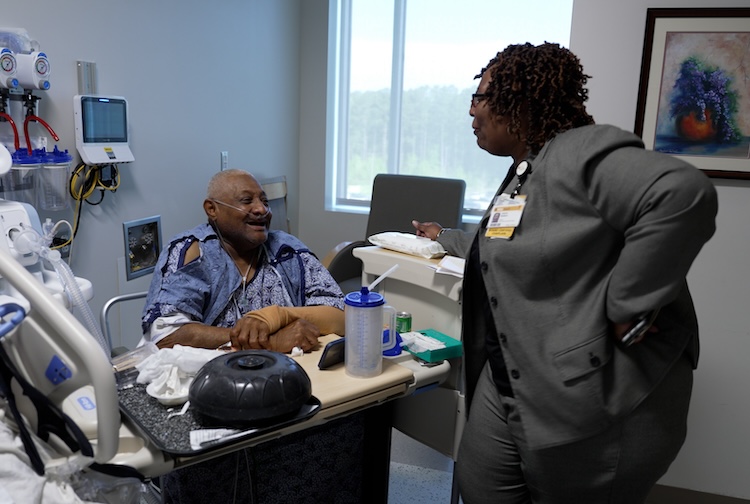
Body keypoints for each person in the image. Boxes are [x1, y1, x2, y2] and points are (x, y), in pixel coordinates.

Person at [413, 43, 718, 504]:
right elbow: (506, 246)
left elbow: (680, 193)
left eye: (480, 97)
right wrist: (443, 236)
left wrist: (627, 306)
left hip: (600, 399)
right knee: (478, 486)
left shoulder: (578, 151)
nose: (471, 111)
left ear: (521, 101)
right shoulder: (525, 172)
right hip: (512, 377)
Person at [141, 169, 362, 503]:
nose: (262, 209)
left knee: (353, 420)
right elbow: (167, 335)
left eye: (263, 200)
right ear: (211, 209)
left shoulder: (287, 250)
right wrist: (269, 344)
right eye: (247, 201)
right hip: (217, 404)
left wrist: (281, 315)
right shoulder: (193, 253)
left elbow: (341, 315)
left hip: (293, 396)